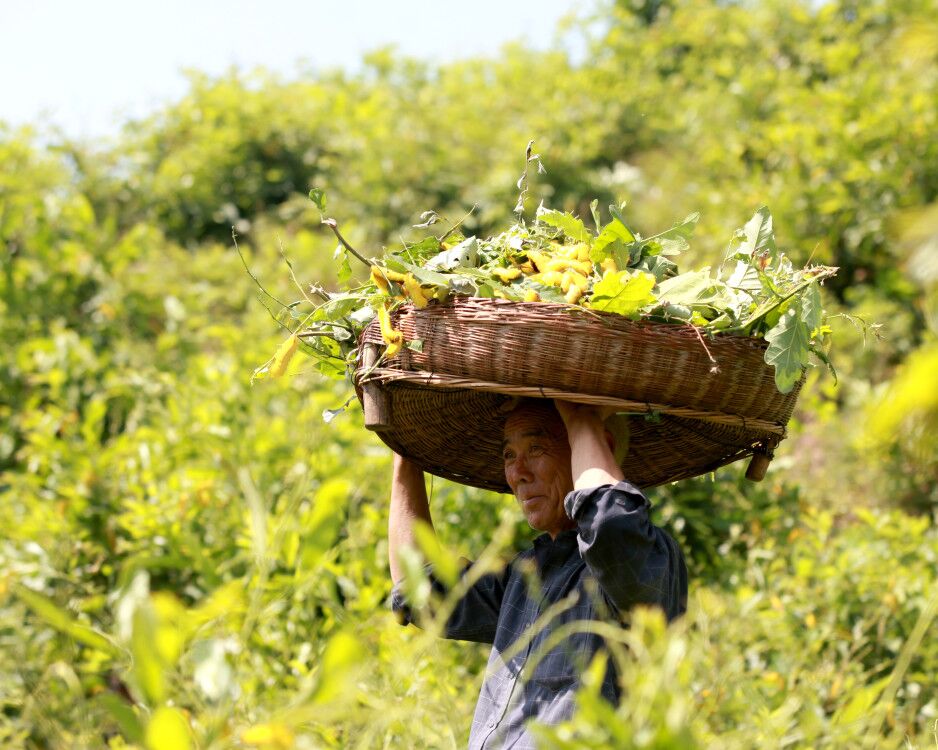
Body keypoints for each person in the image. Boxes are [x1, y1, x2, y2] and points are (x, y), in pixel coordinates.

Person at [388, 398, 688, 749]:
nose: (519, 473)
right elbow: (418, 590)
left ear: (594, 446)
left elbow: (609, 525)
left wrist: (581, 419)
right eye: (509, 456)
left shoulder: (649, 561)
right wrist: (404, 451)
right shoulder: (523, 577)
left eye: (536, 448)